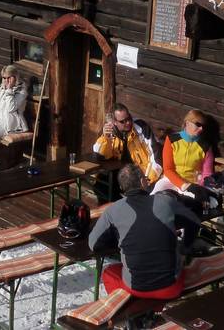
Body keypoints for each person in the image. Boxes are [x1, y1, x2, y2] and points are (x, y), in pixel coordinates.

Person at [89, 163, 200, 299]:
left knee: (109, 273)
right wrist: (184, 248)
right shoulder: (166, 201)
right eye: (147, 179)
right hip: (171, 287)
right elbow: (194, 221)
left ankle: (133, 308)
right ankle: (150, 308)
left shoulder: (112, 210)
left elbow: (93, 244)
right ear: (142, 182)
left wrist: (120, 240)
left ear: (122, 187)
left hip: (136, 288)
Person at [93, 103, 162, 184]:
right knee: (101, 181)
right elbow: (99, 156)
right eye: (123, 121)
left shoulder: (141, 127)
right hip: (123, 174)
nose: (128, 123)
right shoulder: (110, 131)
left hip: (143, 176)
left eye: (128, 118)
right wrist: (105, 138)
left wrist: (148, 180)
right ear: (114, 122)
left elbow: (157, 156)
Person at [151, 109, 215, 196]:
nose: (201, 129)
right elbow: (168, 169)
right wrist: (183, 185)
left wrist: (200, 188)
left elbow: (207, 174)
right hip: (170, 180)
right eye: (198, 125)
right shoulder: (171, 139)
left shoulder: (205, 147)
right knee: (155, 195)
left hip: (192, 184)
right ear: (187, 123)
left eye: (203, 126)